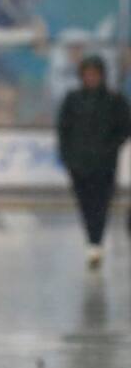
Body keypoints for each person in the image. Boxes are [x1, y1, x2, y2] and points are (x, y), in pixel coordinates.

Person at [58, 56, 131, 269]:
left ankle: (95, 243)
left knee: (101, 204)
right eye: (87, 74)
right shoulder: (73, 100)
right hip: (78, 163)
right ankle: (92, 241)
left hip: (104, 163)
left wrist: (111, 147)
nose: (91, 78)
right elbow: (64, 129)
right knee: (85, 204)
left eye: (94, 74)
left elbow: (125, 128)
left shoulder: (114, 100)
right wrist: (67, 155)